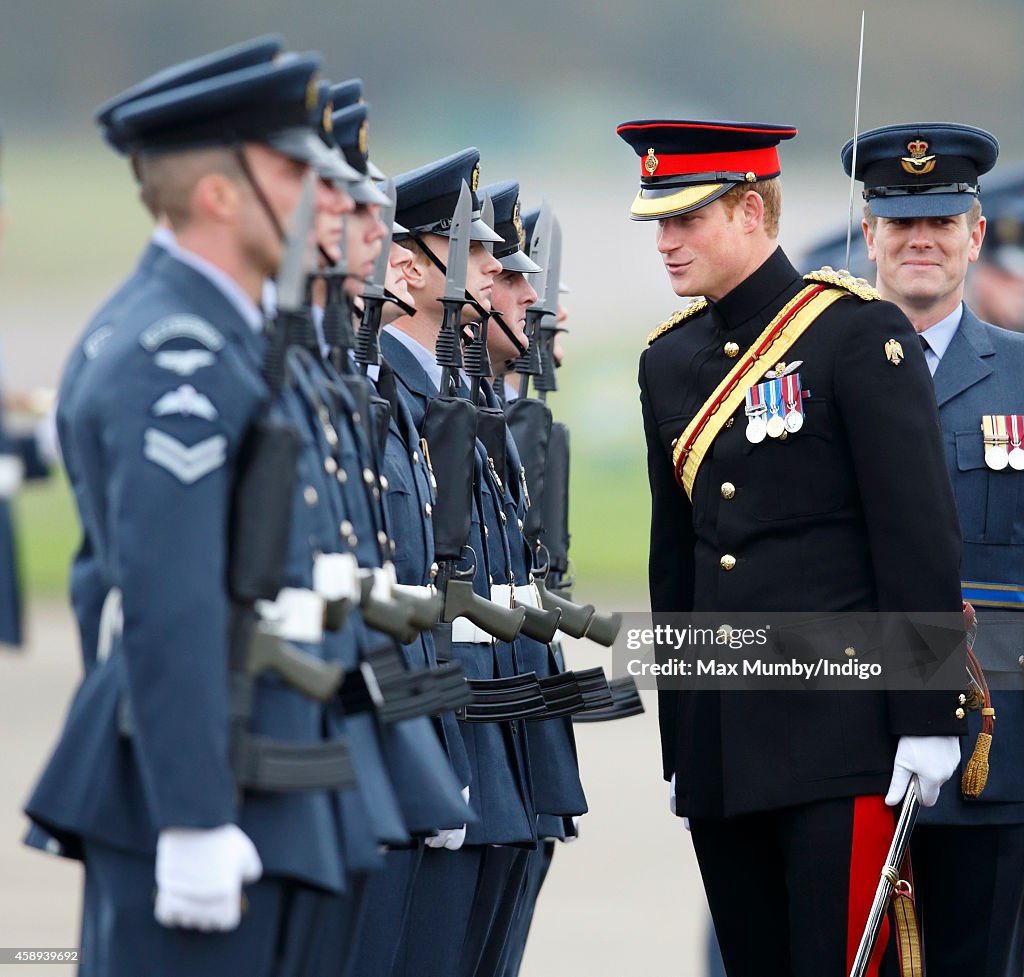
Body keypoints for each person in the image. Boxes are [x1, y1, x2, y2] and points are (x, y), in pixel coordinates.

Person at [24, 49, 363, 977]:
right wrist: (193, 817)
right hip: (197, 782)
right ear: (219, 195)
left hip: (255, 761)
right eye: (294, 171)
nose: (322, 196)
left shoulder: (229, 337)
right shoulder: (172, 353)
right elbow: (169, 605)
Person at [618, 117, 967, 976]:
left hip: (838, 743)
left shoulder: (854, 334)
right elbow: (680, 562)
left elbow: (916, 537)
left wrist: (927, 718)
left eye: (684, 219)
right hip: (725, 747)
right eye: (658, 222)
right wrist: (683, 737)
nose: (665, 243)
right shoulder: (669, 361)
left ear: (748, 209)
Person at [847, 121, 1024, 977]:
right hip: (844, 732)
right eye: (900, 221)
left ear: (975, 236)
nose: (921, 240)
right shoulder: (806, 373)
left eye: (942, 222)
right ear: (868, 232)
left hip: (997, 745)